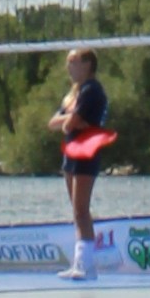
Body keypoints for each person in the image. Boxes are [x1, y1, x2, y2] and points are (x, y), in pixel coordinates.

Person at [55, 48, 117, 275]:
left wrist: (72, 122)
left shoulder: (92, 90)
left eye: (73, 62)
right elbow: (56, 122)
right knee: (77, 211)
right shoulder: (74, 94)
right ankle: (80, 262)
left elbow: (74, 122)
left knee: (81, 210)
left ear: (87, 65)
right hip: (70, 152)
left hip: (85, 151)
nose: (69, 68)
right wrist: (69, 121)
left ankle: (85, 264)